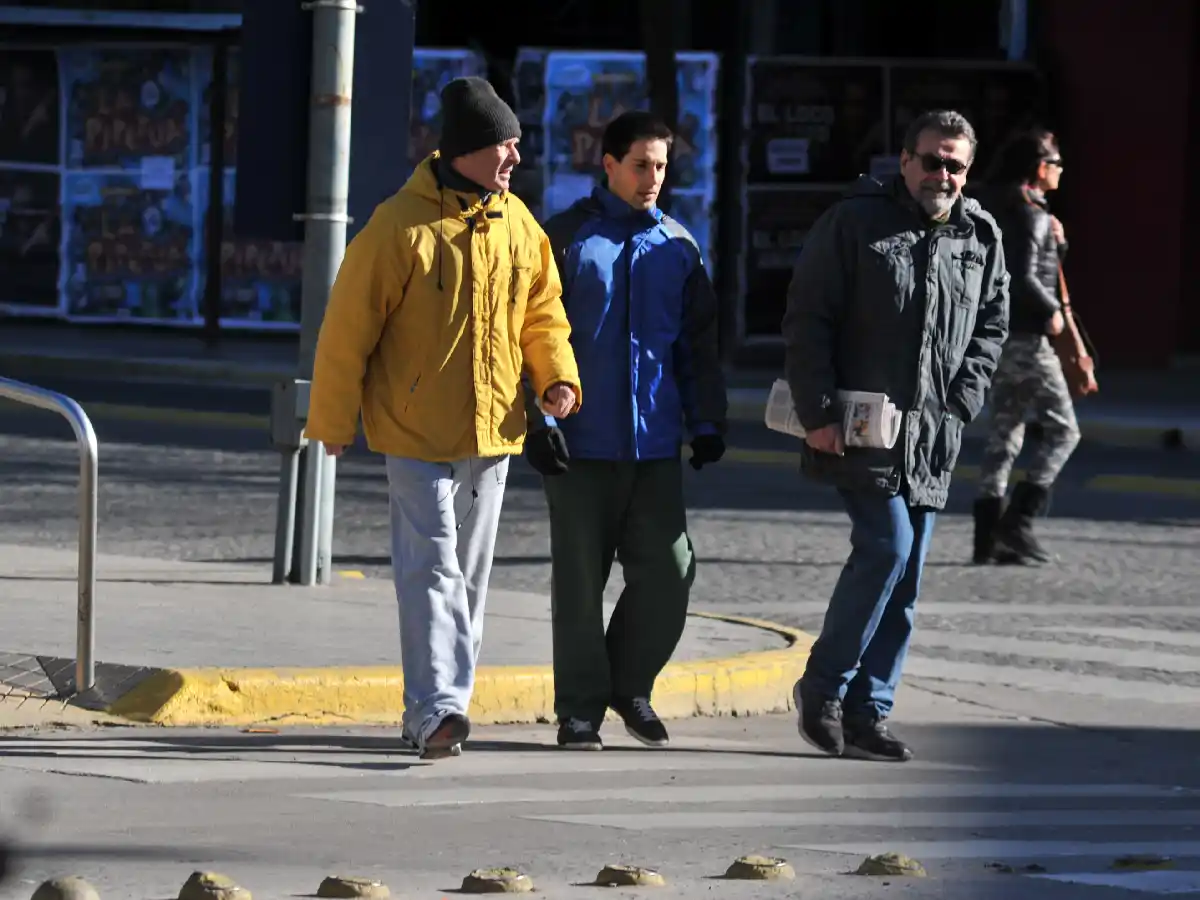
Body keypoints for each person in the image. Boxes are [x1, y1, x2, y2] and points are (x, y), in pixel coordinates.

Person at [305, 76, 582, 760]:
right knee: (432, 569)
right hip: (414, 431)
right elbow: (346, 332)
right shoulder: (397, 226)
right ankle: (438, 710)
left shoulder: (519, 225)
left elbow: (543, 315)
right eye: (504, 146)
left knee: (469, 576)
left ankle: (437, 706)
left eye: (517, 144)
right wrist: (333, 421)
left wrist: (557, 379)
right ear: (467, 149)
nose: (516, 157)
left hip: (494, 433)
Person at [781, 109, 1010, 762]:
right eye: (931, 160)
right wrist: (818, 410)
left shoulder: (980, 235)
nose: (942, 174)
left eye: (955, 165)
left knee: (906, 575)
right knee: (888, 546)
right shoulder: (855, 223)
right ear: (904, 162)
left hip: (934, 436)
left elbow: (993, 326)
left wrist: (963, 403)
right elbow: (809, 318)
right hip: (860, 428)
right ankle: (822, 686)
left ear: (968, 172)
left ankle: (868, 714)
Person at [523, 110, 728, 751]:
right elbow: (525, 337)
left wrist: (708, 420)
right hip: (579, 446)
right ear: (607, 164)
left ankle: (629, 684)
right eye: (641, 165)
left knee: (671, 571)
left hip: (656, 445)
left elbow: (697, 345)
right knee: (580, 585)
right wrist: (538, 418)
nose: (652, 178)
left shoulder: (680, 247)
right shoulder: (563, 240)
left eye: (662, 166)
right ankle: (580, 708)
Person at [972, 129, 1084, 565]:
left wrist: (1059, 240)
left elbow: (1030, 264)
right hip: (1029, 340)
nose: (1060, 171)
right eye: (1055, 164)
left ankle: (987, 538)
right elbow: (1024, 276)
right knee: (1064, 430)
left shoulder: (1004, 208)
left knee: (1005, 433)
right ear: (1040, 168)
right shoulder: (1030, 213)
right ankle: (1017, 521)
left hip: (999, 338)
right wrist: (1052, 310)